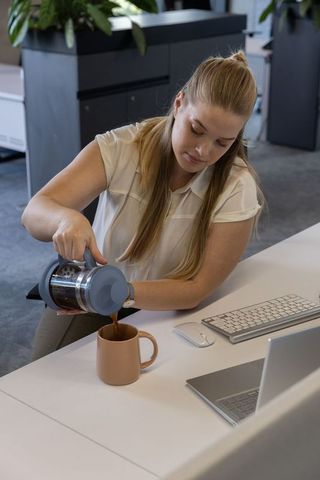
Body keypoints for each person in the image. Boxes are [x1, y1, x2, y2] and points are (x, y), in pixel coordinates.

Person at [22, 50, 262, 359]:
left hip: (169, 304)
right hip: (93, 293)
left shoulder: (237, 184)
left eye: (222, 143)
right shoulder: (123, 147)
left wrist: (123, 293)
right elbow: (34, 212)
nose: (203, 151)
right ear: (179, 103)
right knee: (45, 370)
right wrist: (66, 219)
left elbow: (197, 288)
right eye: (196, 129)